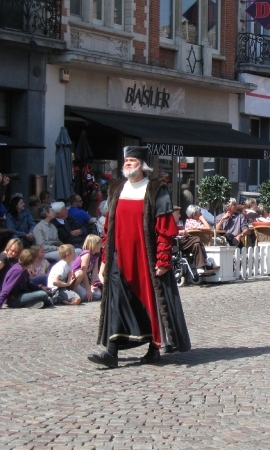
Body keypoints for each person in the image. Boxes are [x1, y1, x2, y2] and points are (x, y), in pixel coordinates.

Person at [88, 146, 191, 369]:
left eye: (133, 160)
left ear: (143, 165)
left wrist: (163, 260)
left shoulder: (155, 190)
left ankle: (154, 348)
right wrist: (105, 257)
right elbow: (108, 227)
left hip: (146, 258)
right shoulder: (116, 189)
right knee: (116, 301)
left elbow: (164, 228)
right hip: (119, 258)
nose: (128, 163)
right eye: (126, 160)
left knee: (151, 302)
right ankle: (111, 351)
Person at [179, 205, 218, 274]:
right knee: (197, 239)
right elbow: (208, 228)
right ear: (194, 215)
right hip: (188, 243)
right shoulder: (191, 222)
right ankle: (206, 262)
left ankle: (200, 269)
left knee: (197, 244)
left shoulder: (195, 221)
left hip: (194, 243)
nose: (201, 214)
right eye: (199, 213)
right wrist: (202, 219)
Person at [71, 235, 103, 302]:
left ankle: (83, 292)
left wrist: (92, 285)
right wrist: (88, 289)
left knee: (97, 294)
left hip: (84, 280)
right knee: (85, 295)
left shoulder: (96, 255)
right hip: (76, 279)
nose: (101, 245)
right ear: (94, 244)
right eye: (99, 244)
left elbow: (95, 270)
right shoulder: (87, 254)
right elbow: (83, 272)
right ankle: (72, 292)